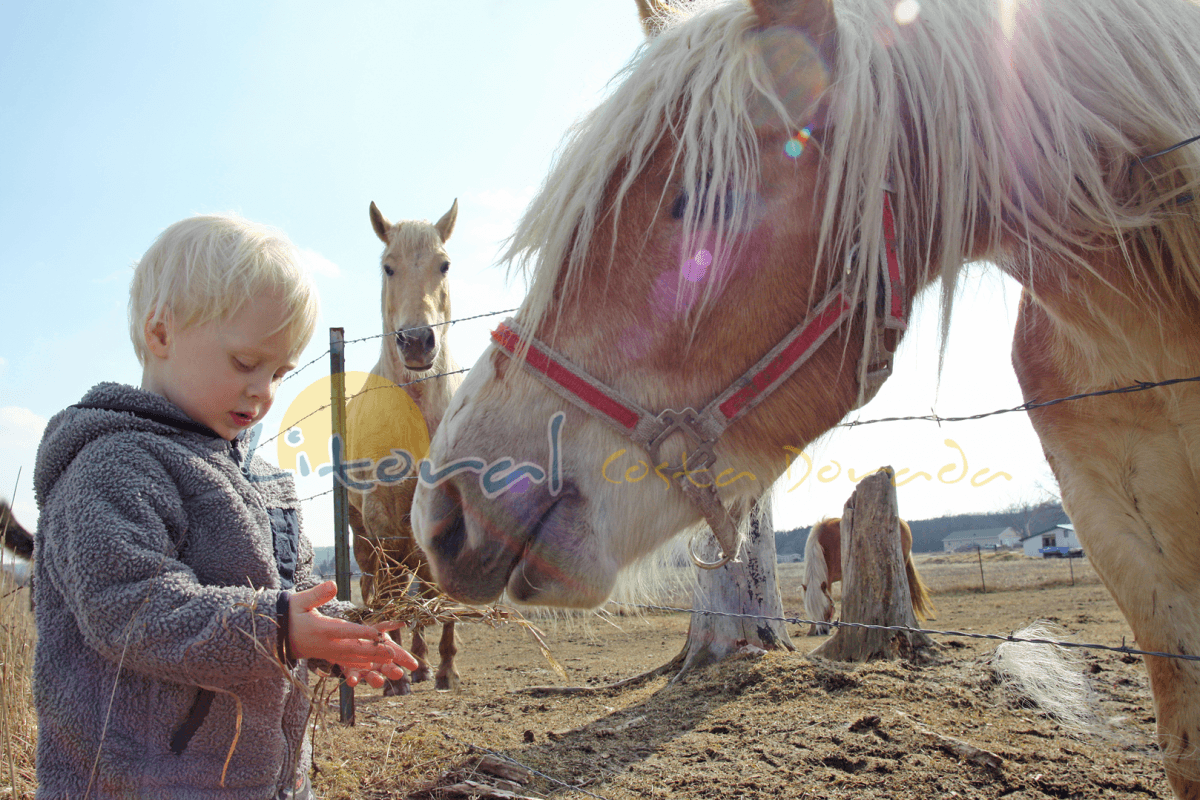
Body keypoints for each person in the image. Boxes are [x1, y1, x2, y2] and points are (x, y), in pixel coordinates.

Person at [31, 213, 417, 799]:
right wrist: (277, 627)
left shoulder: (265, 482)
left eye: (281, 373)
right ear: (161, 335)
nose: (263, 391)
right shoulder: (112, 468)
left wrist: (330, 639)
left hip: (262, 778)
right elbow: (127, 607)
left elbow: (291, 596)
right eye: (245, 363)